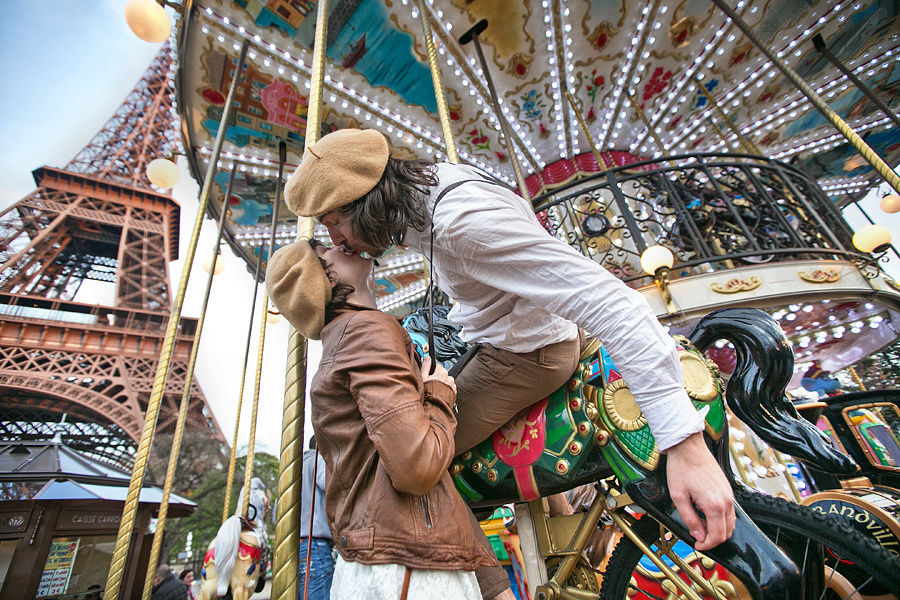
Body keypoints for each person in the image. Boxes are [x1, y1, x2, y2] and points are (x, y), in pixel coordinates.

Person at [283, 129, 736, 599]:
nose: (333, 237)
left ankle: (496, 591)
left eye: (333, 221)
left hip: (526, 355)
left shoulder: (461, 221)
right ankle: (563, 517)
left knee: (415, 465)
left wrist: (686, 446)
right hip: (509, 339)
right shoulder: (428, 194)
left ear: (365, 202)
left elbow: (616, 305)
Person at [266, 238, 497, 600]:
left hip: (376, 560)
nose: (340, 246)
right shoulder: (366, 331)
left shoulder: (342, 341)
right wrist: (439, 396)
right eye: (328, 252)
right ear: (322, 281)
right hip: (407, 565)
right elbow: (416, 465)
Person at [298, 435, 334, 600]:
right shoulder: (318, 460)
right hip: (315, 545)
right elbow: (331, 485)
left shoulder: (293, 467)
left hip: (295, 547)